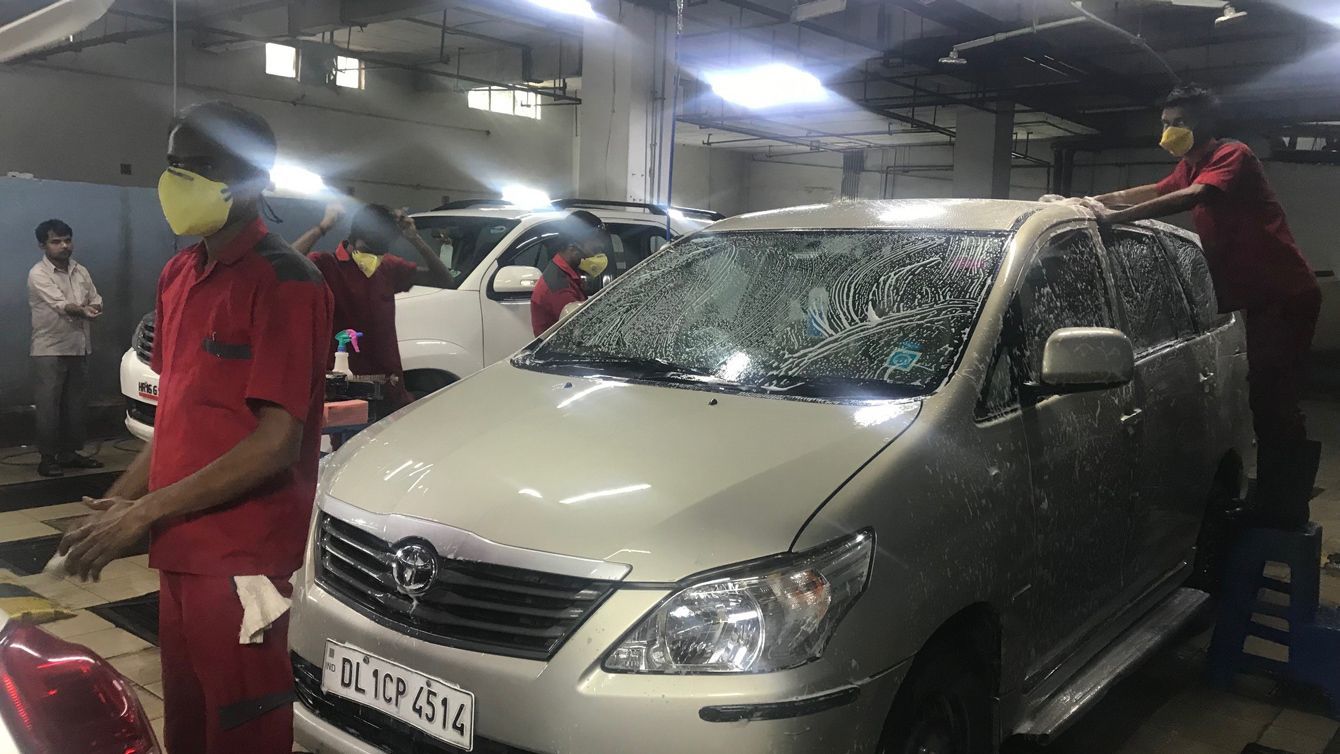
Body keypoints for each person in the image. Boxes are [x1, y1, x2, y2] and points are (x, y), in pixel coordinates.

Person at [56, 101, 333, 754]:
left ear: (254, 179)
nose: (180, 180)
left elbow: (276, 444)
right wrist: (122, 502)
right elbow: (180, 418)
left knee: (242, 731)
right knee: (189, 724)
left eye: (203, 166)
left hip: (241, 561)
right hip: (180, 549)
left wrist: (144, 511)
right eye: (174, 164)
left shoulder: (286, 284)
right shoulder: (179, 274)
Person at [1087, 83, 1321, 530]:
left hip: (1284, 294)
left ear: (1204, 124)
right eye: (1165, 123)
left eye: (1179, 123)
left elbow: (1193, 196)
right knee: (1267, 396)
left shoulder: (1232, 155)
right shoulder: (1190, 165)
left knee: (1274, 398)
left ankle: (1283, 506)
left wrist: (1113, 219)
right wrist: (1091, 202)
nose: (1169, 131)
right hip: (1261, 298)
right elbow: (1155, 189)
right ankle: (1277, 499)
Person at [295, 202, 453, 413]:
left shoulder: (388, 267)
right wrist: (323, 227)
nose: (374, 260)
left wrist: (414, 238)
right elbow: (286, 263)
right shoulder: (327, 265)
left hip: (389, 387)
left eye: (380, 252)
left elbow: (444, 279)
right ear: (354, 238)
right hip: (346, 387)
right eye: (369, 251)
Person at [27, 218, 104, 477]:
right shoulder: (38, 273)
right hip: (49, 348)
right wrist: (84, 310)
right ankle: (48, 458)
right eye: (56, 241)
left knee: (75, 405)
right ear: (42, 245)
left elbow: (96, 298)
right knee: (49, 407)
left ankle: (69, 454)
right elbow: (60, 304)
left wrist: (94, 307)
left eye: (67, 240)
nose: (64, 246)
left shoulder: (80, 271)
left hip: (79, 346)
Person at [530, 210, 611, 335]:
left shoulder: (567, 274)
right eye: (595, 239)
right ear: (573, 246)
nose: (600, 245)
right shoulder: (559, 286)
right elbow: (581, 330)